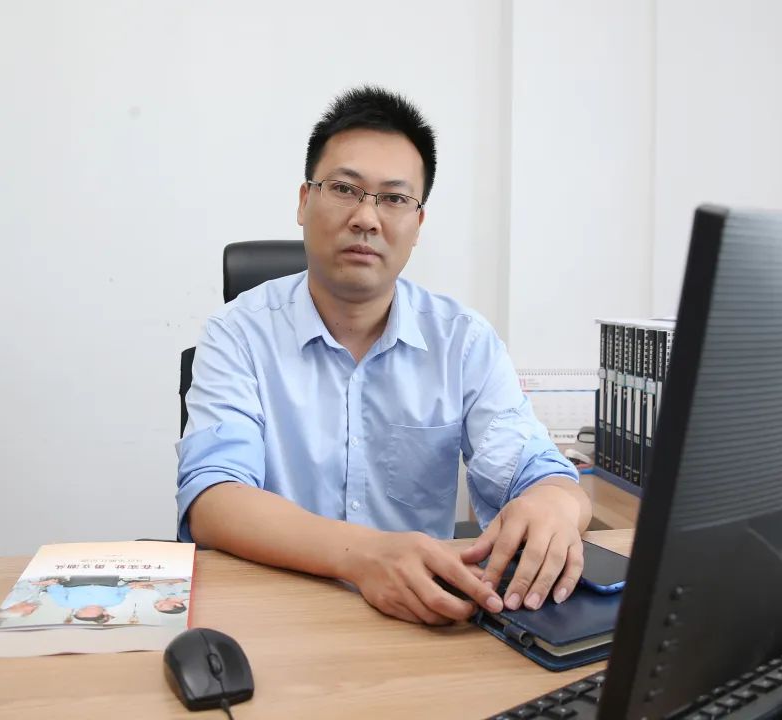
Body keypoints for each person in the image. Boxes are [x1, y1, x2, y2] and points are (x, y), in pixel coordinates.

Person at [176, 86, 591, 626]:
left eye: (394, 199)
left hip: (417, 622)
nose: (367, 218)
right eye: (344, 189)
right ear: (303, 202)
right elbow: (213, 498)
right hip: (275, 618)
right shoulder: (238, 334)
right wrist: (364, 556)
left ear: (417, 225)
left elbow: (536, 470)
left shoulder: (462, 342)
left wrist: (556, 502)